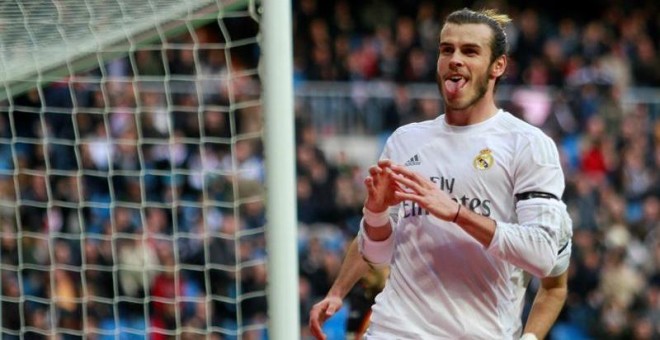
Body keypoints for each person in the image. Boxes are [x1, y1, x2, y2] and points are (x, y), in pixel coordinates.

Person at [309, 8, 573, 340]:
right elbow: (377, 252)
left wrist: (458, 214)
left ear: (498, 66)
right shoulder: (405, 141)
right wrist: (374, 215)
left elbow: (544, 256)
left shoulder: (528, 145)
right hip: (394, 329)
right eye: (447, 49)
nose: (455, 59)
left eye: (470, 51)